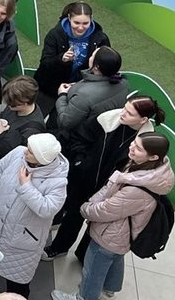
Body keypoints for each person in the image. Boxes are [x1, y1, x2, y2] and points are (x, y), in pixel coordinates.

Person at [52, 132, 173, 300]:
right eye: (134, 143)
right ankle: (109, 292)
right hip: (122, 235)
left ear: (154, 156)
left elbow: (106, 210)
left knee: (94, 268)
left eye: (139, 148)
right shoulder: (152, 170)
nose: (132, 147)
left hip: (110, 234)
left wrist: (85, 208)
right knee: (115, 260)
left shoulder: (136, 189)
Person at [44, 95, 165, 260]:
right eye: (125, 108)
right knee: (74, 215)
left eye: (129, 113)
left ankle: (83, 255)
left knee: (98, 222)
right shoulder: (106, 119)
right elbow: (79, 137)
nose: (122, 113)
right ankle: (59, 247)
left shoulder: (146, 141)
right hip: (85, 179)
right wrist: (81, 162)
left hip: (112, 190)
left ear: (143, 119)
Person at [0, 134, 68, 298]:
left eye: (31, 152)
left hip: (22, 239)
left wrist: (26, 186)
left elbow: (47, 209)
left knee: (17, 283)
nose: (26, 152)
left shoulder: (58, 181)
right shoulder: (18, 153)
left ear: (42, 159)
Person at [33, 1, 111, 103]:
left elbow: (105, 66)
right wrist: (62, 59)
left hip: (80, 90)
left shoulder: (101, 38)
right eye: (76, 23)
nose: (80, 27)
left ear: (91, 19)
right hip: (50, 87)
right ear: (69, 18)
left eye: (85, 23)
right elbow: (45, 63)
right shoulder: (55, 35)